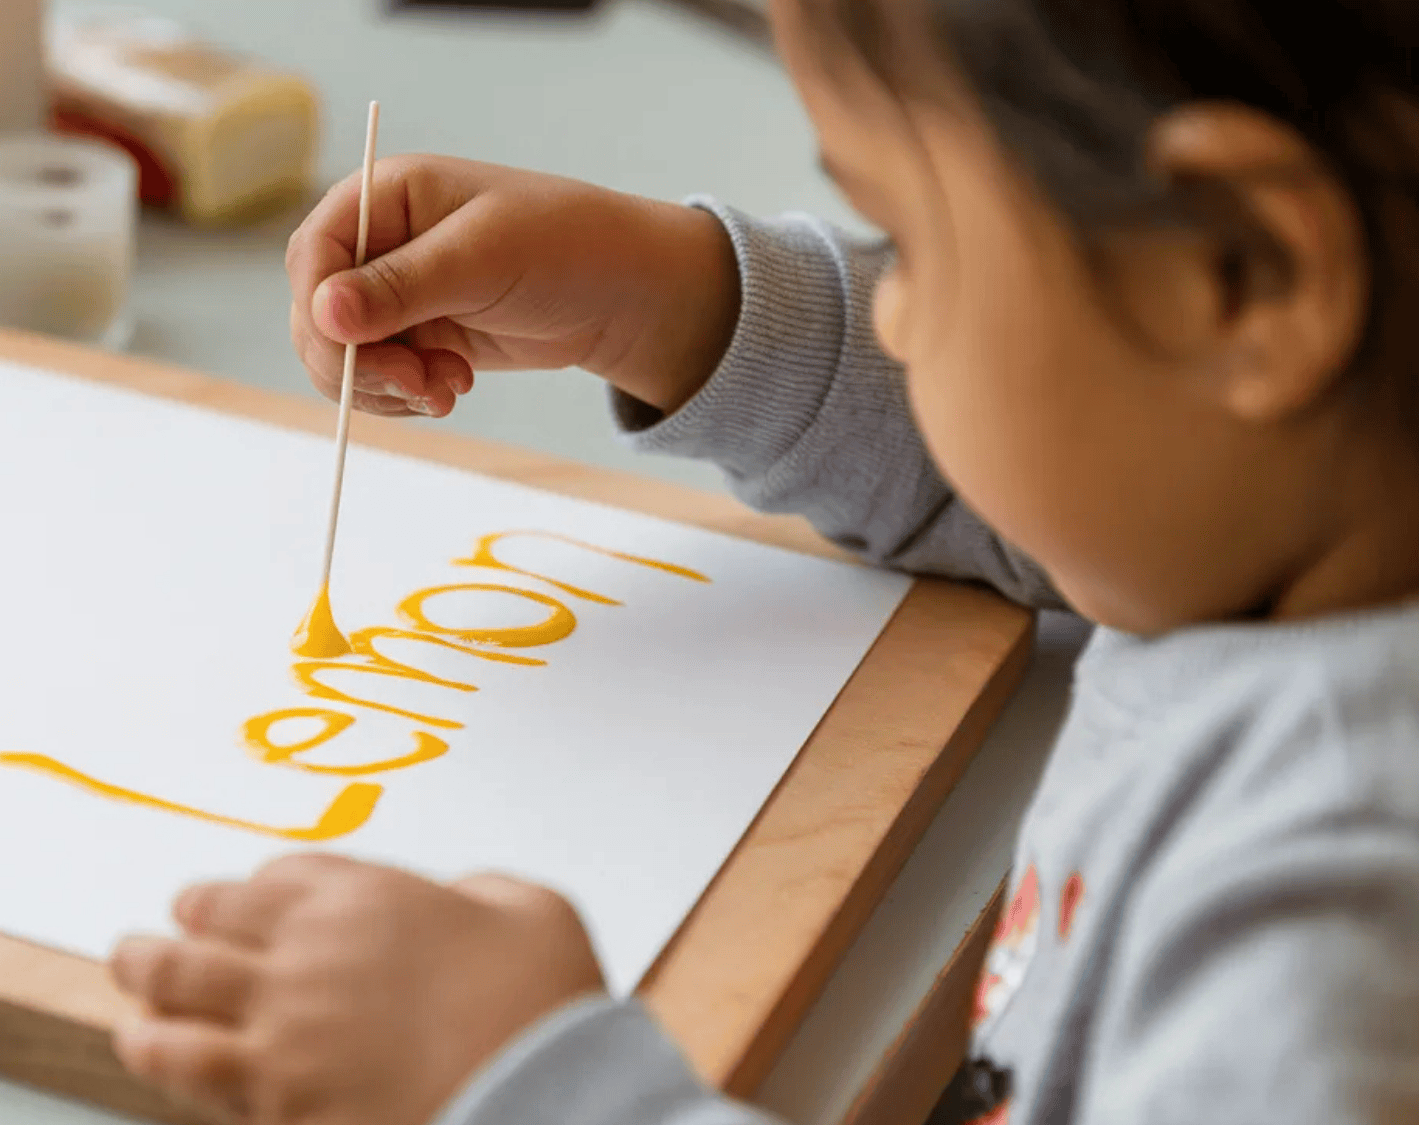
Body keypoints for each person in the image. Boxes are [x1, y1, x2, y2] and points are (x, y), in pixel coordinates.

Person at [102, 1, 1419, 1123]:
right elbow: (1105, 460)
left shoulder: (1322, 946)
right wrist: (689, 308)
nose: (891, 310)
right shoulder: (1297, 512)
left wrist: (539, 1084)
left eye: (908, 245)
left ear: (1249, 276)